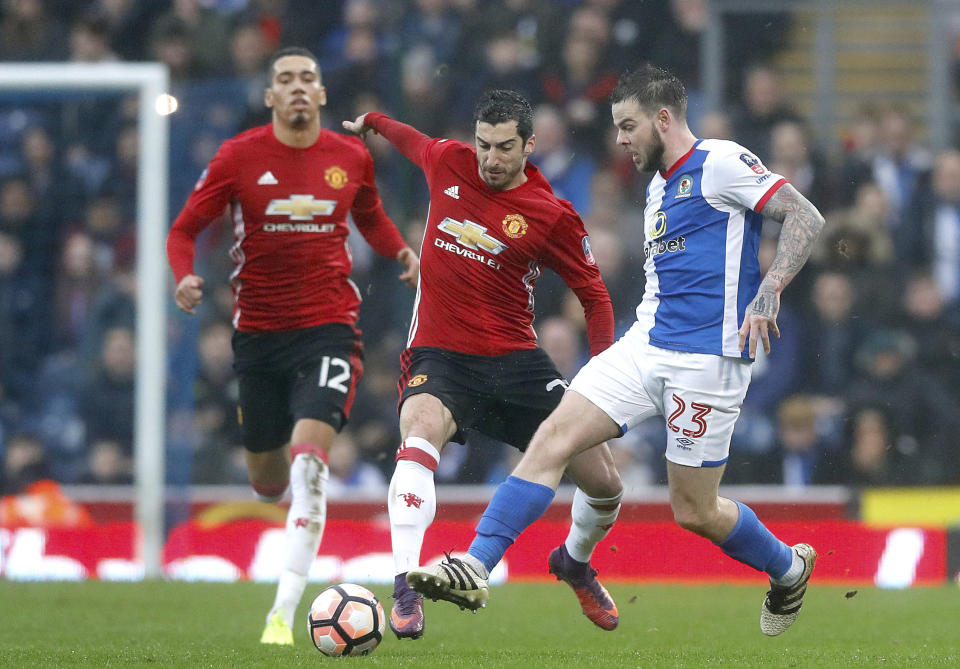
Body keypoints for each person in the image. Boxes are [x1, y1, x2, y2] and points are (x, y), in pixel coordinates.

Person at [405, 65, 827, 637]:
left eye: (628, 127)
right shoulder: (655, 188)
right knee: (554, 435)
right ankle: (475, 566)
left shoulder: (722, 161)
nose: (620, 140)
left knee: (694, 511)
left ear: (662, 118)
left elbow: (805, 214)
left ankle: (787, 566)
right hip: (645, 345)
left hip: (709, 361)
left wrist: (770, 291)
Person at [342, 89, 623, 640]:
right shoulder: (449, 160)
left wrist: (601, 379)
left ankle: (574, 562)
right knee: (418, 432)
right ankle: (403, 589)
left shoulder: (551, 215)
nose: (490, 159)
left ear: (529, 146)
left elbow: (595, 296)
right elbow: (410, 139)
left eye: (504, 148)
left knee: (605, 483)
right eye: (484, 144)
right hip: (440, 354)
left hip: (516, 361)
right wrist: (374, 121)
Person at [166, 46, 419, 646]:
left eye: (309, 77)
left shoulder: (349, 155)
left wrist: (401, 252)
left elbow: (371, 217)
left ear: (323, 94)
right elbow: (184, 228)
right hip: (257, 338)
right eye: (286, 79)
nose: (299, 86)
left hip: (329, 328)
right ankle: (282, 505)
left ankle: (281, 614)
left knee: (309, 464)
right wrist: (183, 275)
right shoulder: (238, 157)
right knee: (267, 480)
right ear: (270, 96)